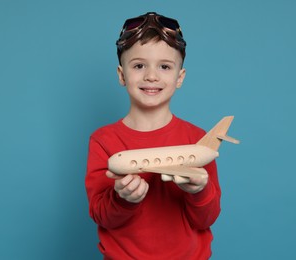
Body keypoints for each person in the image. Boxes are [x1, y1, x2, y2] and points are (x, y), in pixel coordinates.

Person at [85, 12, 221, 259]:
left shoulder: (197, 139)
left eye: (165, 66)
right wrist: (122, 199)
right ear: (121, 75)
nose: (151, 76)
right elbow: (100, 214)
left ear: (179, 78)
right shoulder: (103, 140)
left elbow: (206, 219)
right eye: (139, 65)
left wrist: (200, 190)